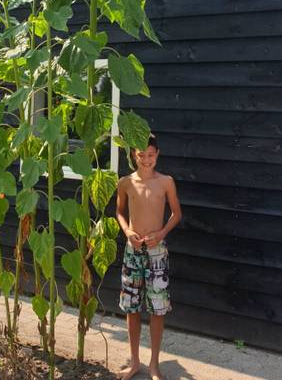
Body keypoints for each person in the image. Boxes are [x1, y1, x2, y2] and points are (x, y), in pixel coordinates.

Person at [115, 136, 182, 380]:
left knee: (157, 309)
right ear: (134, 154)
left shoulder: (166, 182)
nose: (146, 160)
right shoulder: (125, 183)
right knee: (131, 307)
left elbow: (176, 214)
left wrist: (161, 233)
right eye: (141, 155)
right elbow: (119, 212)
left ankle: (154, 365)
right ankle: (135, 362)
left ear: (158, 154)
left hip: (157, 252)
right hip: (133, 251)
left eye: (150, 155)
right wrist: (127, 232)